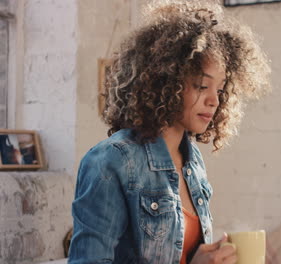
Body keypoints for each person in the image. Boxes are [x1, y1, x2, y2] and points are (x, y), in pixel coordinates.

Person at [68, 1, 270, 263]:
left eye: (219, 90)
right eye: (201, 85)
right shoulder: (111, 161)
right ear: (166, 81)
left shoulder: (192, 160)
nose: (214, 101)